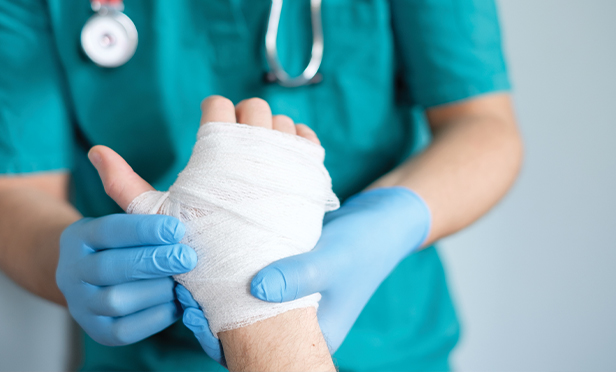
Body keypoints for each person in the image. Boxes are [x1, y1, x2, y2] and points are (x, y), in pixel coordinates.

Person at [0, 0, 522, 371]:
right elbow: (17, 188)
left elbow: (483, 123)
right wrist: (73, 259)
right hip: (147, 353)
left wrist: (389, 220)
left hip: (387, 341)